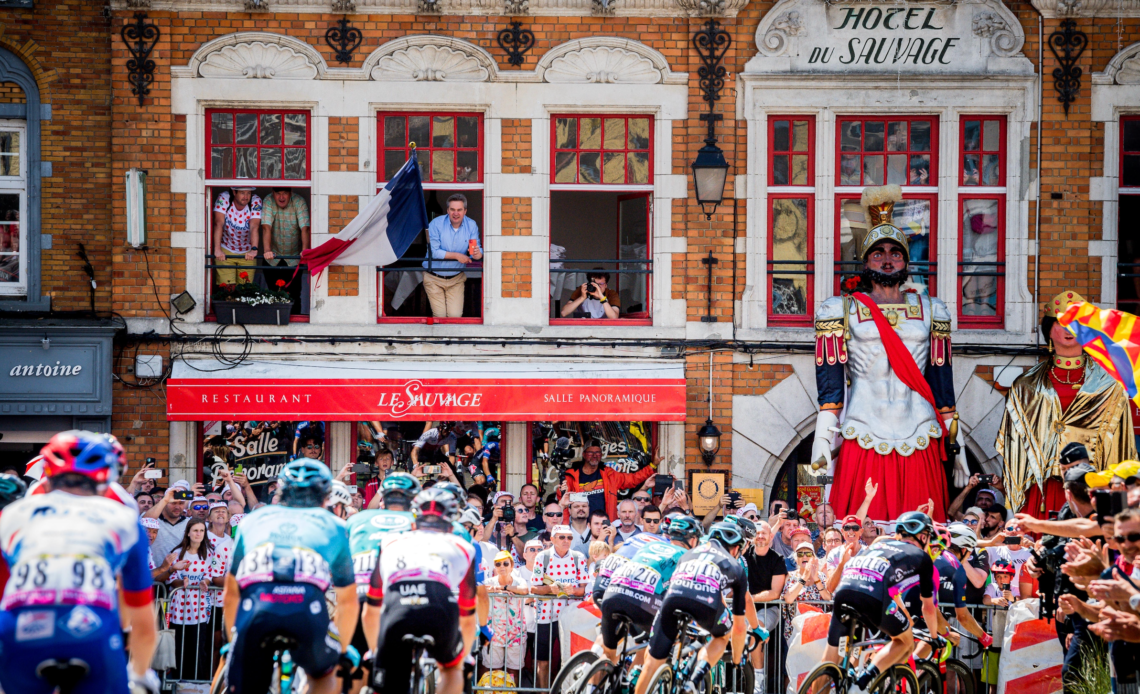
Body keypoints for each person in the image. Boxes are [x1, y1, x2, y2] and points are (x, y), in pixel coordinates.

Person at [812, 185, 967, 521]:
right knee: (859, 527)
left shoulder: (932, 310)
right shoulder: (839, 310)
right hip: (863, 429)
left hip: (920, 430)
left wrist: (960, 449)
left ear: (906, 261)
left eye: (895, 253)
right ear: (866, 260)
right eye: (878, 252)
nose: (886, 258)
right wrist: (821, 445)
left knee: (920, 529)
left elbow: (943, 387)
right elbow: (830, 392)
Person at [0, 431, 159, 694]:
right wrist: (140, 674)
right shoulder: (122, 515)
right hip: (91, 627)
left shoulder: (13, 514)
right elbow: (142, 614)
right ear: (106, 477)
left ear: (46, 473)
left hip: (20, 628)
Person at [222, 459, 358, 694]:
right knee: (324, 673)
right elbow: (347, 599)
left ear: (280, 490)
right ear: (326, 497)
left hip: (256, 611)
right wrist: (343, 648)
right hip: (306, 612)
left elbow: (231, 592)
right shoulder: (334, 525)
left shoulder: (252, 520)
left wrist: (233, 638)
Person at [998, 290, 1138, 516]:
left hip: (1092, 484)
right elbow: (1014, 444)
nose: (1069, 329)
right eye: (1061, 322)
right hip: (1042, 486)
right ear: (1048, 330)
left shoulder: (1110, 384)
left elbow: (1121, 443)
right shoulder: (1025, 385)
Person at [363, 487, 477, 694]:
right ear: (451, 526)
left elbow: (371, 607)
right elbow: (468, 613)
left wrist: (375, 651)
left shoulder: (390, 542)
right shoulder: (463, 546)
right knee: (452, 670)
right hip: (440, 608)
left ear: (413, 524)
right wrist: (464, 656)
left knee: (386, 685)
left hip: (397, 609)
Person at [822, 511, 942, 690]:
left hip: (844, 589)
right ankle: (864, 679)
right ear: (924, 537)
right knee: (905, 642)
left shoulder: (879, 542)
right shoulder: (923, 558)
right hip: (873, 595)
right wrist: (934, 637)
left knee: (828, 661)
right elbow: (928, 608)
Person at [635, 522, 749, 694]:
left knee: (651, 663)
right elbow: (739, 628)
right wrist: (737, 658)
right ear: (735, 549)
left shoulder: (687, 554)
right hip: (705, 602)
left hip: (672, 600)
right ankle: (693, 680)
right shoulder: (735, 566)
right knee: (722, 637)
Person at [598, 514, 702, 673]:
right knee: (656, 649)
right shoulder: (688, 557)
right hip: (641, 603)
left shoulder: (649, 545)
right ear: (693, 540)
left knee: (608, 653)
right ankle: (637, 683)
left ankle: (592, 687)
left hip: (612, 593)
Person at [346, 472, 419, 677]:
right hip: (399, 599)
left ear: (382, 497)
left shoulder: (358, 518)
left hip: (359, 597)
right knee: (399, 670)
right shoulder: (418, 520)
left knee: (357, 669)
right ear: (412, 498)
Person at [530, 525, 589, 688]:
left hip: (571, 617)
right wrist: (550, 589)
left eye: (569, 537)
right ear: (553, 539)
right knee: (543, 661)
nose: (566, 541)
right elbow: (534, 588)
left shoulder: (578, 557)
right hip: (545, 617)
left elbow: (585, 589)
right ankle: (543, 692)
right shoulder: (543, 557)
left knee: (571, 659)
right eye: (562, 537)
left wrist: (574, 591)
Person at [165, 518, 222, 681]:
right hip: (179, 609)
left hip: (199, 609)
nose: (198, 534)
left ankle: (196, 683)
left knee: (198, 648)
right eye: (195, 530)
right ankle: (177, 683)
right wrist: (181, 582)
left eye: (202, 531)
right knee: (179, 648)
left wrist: (205, 582)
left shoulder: (209, 553)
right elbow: (171, 576)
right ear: (188, 533)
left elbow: (210, 573)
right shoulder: (177, 552)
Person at [559, 442, 657, 523]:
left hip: (606, 525)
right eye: (590, 453)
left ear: (601, 455)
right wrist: (566, 525)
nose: (594, 455)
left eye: (597, 452)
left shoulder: (609, 474)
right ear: (584, 455)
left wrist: (652, 466)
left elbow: (633, 479)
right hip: (580, 526)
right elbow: (563, 502)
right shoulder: (570, 476)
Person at [423, 193, 482, 318]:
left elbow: (475, 251)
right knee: (440, 316)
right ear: (447, 210)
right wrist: (457, 256)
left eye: (459, 210)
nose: (456, 213)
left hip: (456, 279)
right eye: (453, 210)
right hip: (434, 278)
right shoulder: (436, 223)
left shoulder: (471, 225)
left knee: (455, 317)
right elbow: (434, 252)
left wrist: (477, 254)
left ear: (465, 211)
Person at [744, 521, 786, 694]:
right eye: (758, 533)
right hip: (745, 607)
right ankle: (731, 680)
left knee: (754, 630)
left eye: (764, 533)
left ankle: (758, 684)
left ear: (771, 536)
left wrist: (749, 598)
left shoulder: (777, 559)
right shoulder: (744, 556)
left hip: (769, 608)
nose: (760, 536)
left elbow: (775, 593)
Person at [260, 186, 310, 310]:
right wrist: (266, 250)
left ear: (291, 193)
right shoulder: (268, 200)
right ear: (273, 193)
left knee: (294, 296)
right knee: (273, 295)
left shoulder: (299, 202)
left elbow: (305, 228)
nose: (281, 197)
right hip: (273, 257)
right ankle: (275, 325)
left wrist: (305, 250)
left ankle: (295, 327)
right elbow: (266, 227)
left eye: (285, 193)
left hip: (293, 258)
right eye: (278, 193)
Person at [483, 550, 529, 683]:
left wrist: (503, 588)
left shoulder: (519, 581)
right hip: (494, 634)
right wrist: (494, 589)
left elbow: (525, 590)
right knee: (492, 672)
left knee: (513, 672)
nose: (501, 566)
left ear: (512, 565)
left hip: (515, 633)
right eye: (498, 564)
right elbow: (477, 589)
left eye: (505, 563)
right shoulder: (489, 581)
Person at [781, 541, 832, 641]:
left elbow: (828, 598)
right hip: (796, 629)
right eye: (800, 554)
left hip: (818, 629)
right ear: (796, 558)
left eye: (808, 553)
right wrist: (804, 578)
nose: (804, 556)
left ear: (813, 557)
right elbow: (789, 598)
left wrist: (816, 578)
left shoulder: (821, 576)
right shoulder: (791, 576)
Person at [212, 186, 262, 286]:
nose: (246, 197)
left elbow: (254, 226)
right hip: (226, 248)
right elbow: (218, 223)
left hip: (247, 251)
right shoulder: (224, 197)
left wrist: (254, 249)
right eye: (242, 193)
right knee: (228, 289)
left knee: (245, 289)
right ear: (234, 192)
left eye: (248, 193)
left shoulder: (255, 201)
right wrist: (217, 249)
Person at [144, 480, 191, 565]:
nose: (177, 507)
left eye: (181, 503)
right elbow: (145, 521)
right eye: (173, 503)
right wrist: (166, 499)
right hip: (155, 574)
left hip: (179, 576)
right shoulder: (155, 518)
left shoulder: (189, 523)